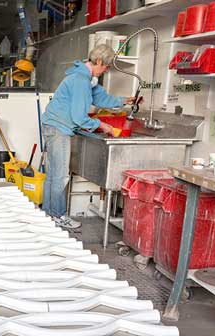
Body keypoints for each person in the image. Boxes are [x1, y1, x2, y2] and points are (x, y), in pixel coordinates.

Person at [41, 44, 137, 229]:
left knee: (53, 175)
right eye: (106, 66)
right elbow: (79, 117)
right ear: (99, 61)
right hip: (58, 129)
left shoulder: (87, 78)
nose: (106, 70)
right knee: (60, 177)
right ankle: (58, 216)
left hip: (54, 126)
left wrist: (122, 101)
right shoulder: (80, 79)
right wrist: (101, 125)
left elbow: (99, 98)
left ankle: (49, 214)